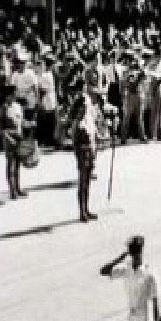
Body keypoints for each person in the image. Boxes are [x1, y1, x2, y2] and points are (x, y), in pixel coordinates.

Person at [68, 79, 103, 223]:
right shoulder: (77, 124)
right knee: (83, 181)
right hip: (83, 150)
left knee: (88, 180)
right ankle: (82, 211)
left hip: (90, 147)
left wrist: (96, 138)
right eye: (81, 108)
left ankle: (86, 209)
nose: (84, 109)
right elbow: (75, 142)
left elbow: (92, 127)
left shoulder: (87, 116)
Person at [2, 91, 27, 200]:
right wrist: (10, 139)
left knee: (17, 164)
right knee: (10, 164)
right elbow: (2, 129)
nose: (12, 97)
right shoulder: (3, 109)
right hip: (9, 139)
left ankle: (17, 188)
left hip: (18, 136)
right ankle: (12, 190)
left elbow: (21, 121)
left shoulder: (18, 106)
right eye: (10, 95)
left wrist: (28, 124)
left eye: (13, 95)